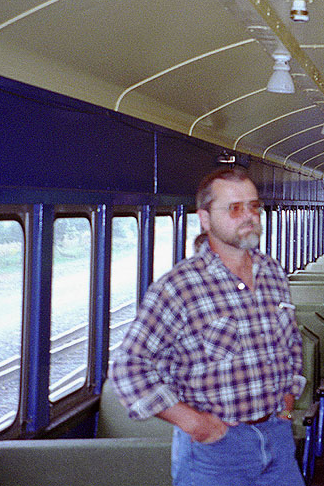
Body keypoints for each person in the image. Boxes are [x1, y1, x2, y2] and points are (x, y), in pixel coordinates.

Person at [109, 167, 305, 486]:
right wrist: (197, 424)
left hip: (277, 439)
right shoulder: (179, 287)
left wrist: (288, 396)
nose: (249, 216)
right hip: (215, 452)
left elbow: (291, 343)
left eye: (254, 206)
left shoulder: (272, 273)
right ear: (204, 218)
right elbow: (129, 368)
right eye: (234, 208)